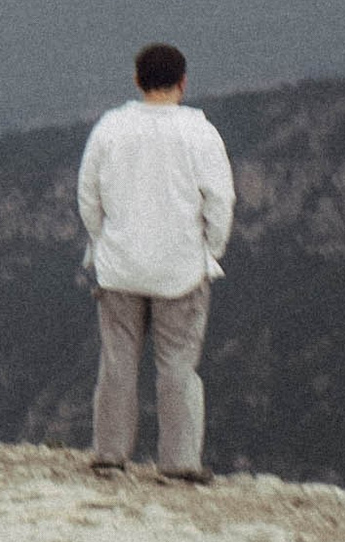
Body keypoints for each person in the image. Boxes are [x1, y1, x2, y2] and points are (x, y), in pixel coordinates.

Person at [77, 42, 235, 482]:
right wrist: (211, 251)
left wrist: (101, 241)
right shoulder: (200, 132)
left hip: (120, 267)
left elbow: (88, 195)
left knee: (118, 361)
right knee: (178, 367)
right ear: (183, 82)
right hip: (181, 268)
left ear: (136, 80)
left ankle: (109, 454)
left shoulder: (110, 128)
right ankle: (179, 462)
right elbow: (220, 200)